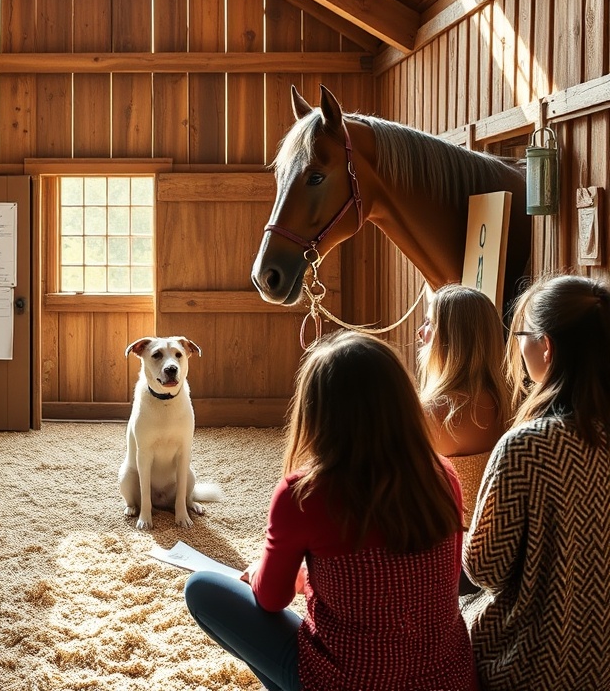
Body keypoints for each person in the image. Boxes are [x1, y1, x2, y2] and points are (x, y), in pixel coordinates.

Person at [184, 331, 477, 691]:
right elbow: (407, 580)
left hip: (354, 682)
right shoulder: (443, 474)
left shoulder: (304, 493)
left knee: (201, 588)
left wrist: (263, 570)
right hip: (450, 680)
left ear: (316, 412)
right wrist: (312, 577)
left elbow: (272, 599)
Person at [462, 274, 610, 690]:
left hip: (530, 665)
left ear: (546, 345)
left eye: (522, 334)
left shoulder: (527, 446)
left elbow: (483, 569)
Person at [417, 284, 511, 526]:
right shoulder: (510, 401)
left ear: (451, 337)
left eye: (429, 323)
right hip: (499, 537)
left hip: (451, 544)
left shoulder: (436, 412)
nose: (420, 332)